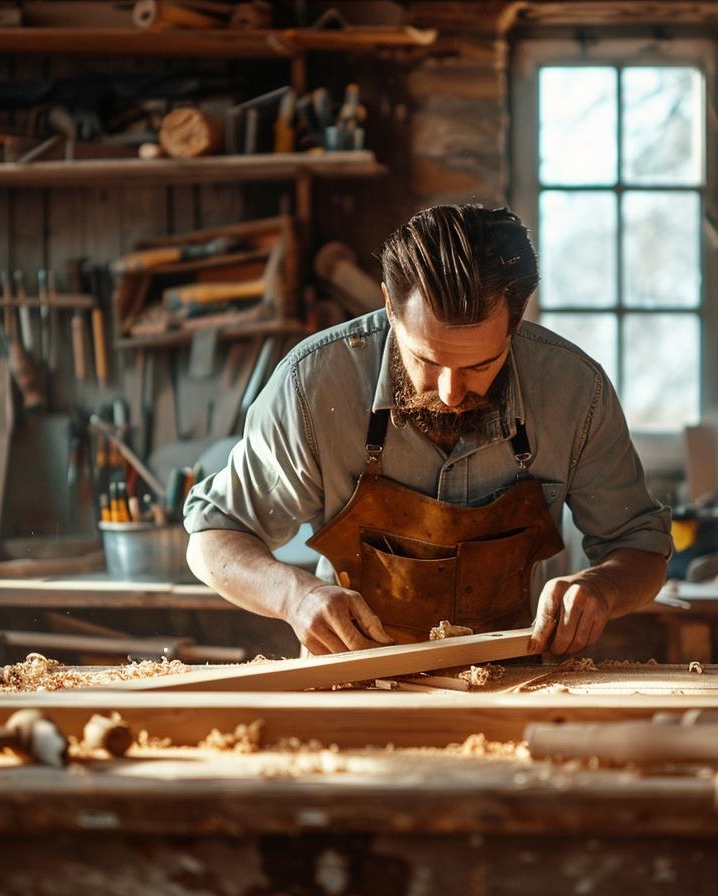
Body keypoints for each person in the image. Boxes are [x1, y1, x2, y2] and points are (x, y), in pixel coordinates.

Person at [184, 204, 671, 656]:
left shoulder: (573, 390)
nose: (451, 391)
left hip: (512, 688)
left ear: (516, 322)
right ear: (390, 308)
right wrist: (295, 596)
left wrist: (602, 589)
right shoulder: (314, 385)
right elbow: (212, 537)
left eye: (480, 365)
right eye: (426, 360)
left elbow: (640, 546)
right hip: (352, 683)